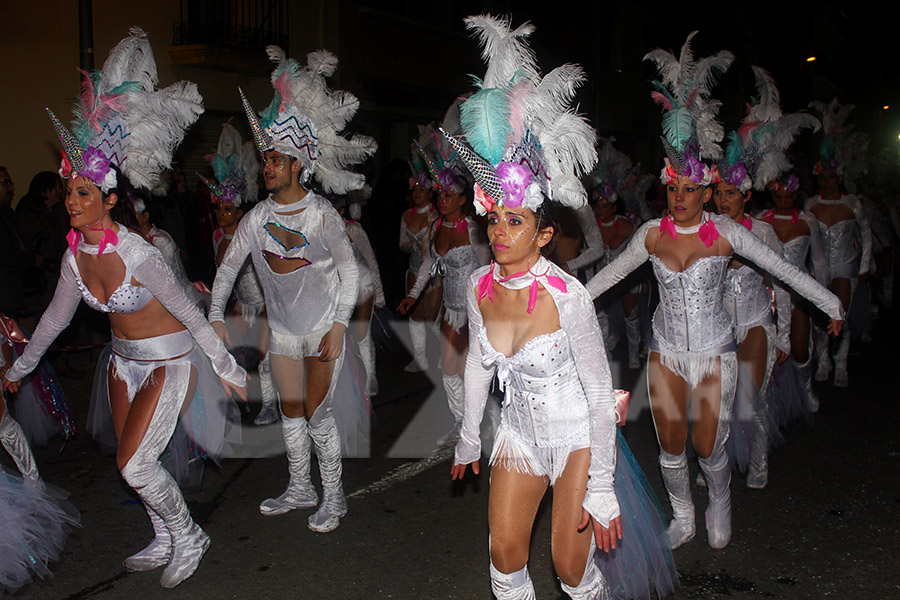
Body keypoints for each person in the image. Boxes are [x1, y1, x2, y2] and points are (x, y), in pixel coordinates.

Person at [1, 28, 247, 588]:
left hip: (168, 360)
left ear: (110, 198)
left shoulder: (139, 253)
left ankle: (189, 534)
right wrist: (17, 369)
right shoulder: (71, 258)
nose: (72, 201)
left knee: (133, 463)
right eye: (69, 191)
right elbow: (57, 322)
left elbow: (187, 309)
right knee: (138, 464)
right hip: (121, 362)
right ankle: (163, 535)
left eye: (84, 193)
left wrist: (227, 367)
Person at [446, 16, 677, 599]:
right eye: (493, 217)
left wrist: (602, 486)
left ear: (544, 234)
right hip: (519, 435)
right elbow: (477, 363)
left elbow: (600, 392)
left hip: (576, 434)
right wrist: (471, 435)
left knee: (571, 567)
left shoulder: (566, 296)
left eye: (515, 220)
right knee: (503, 554)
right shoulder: (478, 286)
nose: (499, 230)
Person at [587, 33, 844, 551]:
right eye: (672, 187)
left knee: (709, 445)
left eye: (690, 188)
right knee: (672, 444)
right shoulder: (651, 235)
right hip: (665, 354)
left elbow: (784, 270)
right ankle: (684, 518)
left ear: (707, 190)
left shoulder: (728, 233)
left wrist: (831, 303)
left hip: (713, 354)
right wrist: (554, 300)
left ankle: (719, 500)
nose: (679, 197)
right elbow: (601, 282)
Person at [211, 47, 375, 532]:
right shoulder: (256, 218)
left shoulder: (322, 214)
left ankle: (335, 496)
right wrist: (217, 312)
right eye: (266, 157)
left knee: (316, 413)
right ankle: (300, 487)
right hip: (282, 334)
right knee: (289, 411)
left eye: (278, 158)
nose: (269, 165)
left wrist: (341, 325)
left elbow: (350, 273)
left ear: (299, 163)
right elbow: (227, 269)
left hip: (323, 328)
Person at [397, 118, 490, 448]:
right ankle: (461, 422)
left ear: (463, 199)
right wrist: (412, 295)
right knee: (449, 370)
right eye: (439, 194)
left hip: (475, 310)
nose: (442, 199)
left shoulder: (475, 229)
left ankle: (481, 422)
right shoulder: (436, 227)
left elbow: (487, 271)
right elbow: (427, 265)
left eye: (448, 194)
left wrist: (488, 314)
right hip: (451, 309)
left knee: (472, 370)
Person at [202, 122, 275, 425]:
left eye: (228, 209)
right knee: (230, 352)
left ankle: (270, 404)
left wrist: (268, 309)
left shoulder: (252, 236)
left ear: (240, 212)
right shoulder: (218, 238)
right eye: (219, 209)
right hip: (240, 304)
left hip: (264, 302)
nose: (222, 214)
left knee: (266, 356)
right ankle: (241, 400)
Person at [806, 99, 873, 388]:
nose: (829, 182)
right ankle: (823, 359)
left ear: (840, 178)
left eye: (833, 177)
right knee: (822, 315)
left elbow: (866, 234)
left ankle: (842, 362)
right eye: (824, 177)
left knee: (841, 312)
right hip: (819, 268)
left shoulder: (851, 203)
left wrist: (865, 264)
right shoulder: (811, 204)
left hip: (846, 266)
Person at [400, 128, 441, 372]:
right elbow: (401, 246)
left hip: (435, 274)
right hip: (414, 269)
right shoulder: (406, 215)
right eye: (414, 190)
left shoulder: (437, 216)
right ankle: (420, 359)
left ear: (430, 192)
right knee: (414, 316)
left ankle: (447, 353)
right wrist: (411, 245)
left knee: (433, 318)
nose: (417, 194)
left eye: (421, 190)